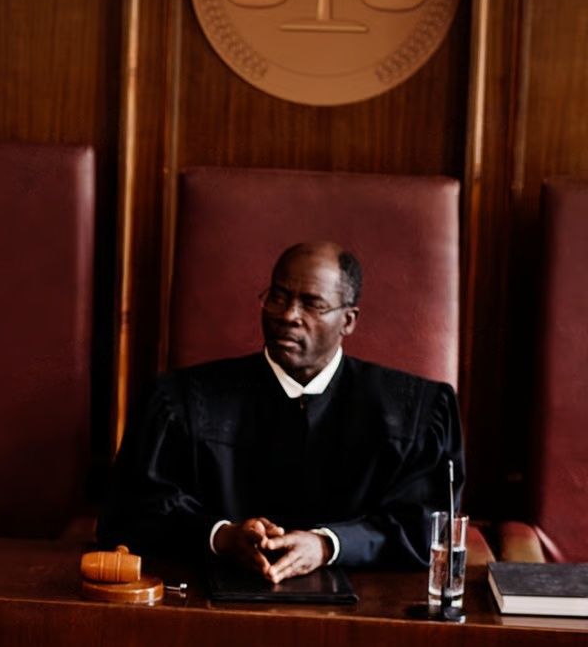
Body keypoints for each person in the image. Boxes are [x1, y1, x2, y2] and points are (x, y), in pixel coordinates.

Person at [99, 241, 464, 582]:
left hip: (365, 614)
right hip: (207, 605)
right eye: (278, 297)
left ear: (348, 320)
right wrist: (221, 535)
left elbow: (428, 528)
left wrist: (328, 544)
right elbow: (131, 512)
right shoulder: (179, 402)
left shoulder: (415, 411)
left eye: (312, 304)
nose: (288, 315)